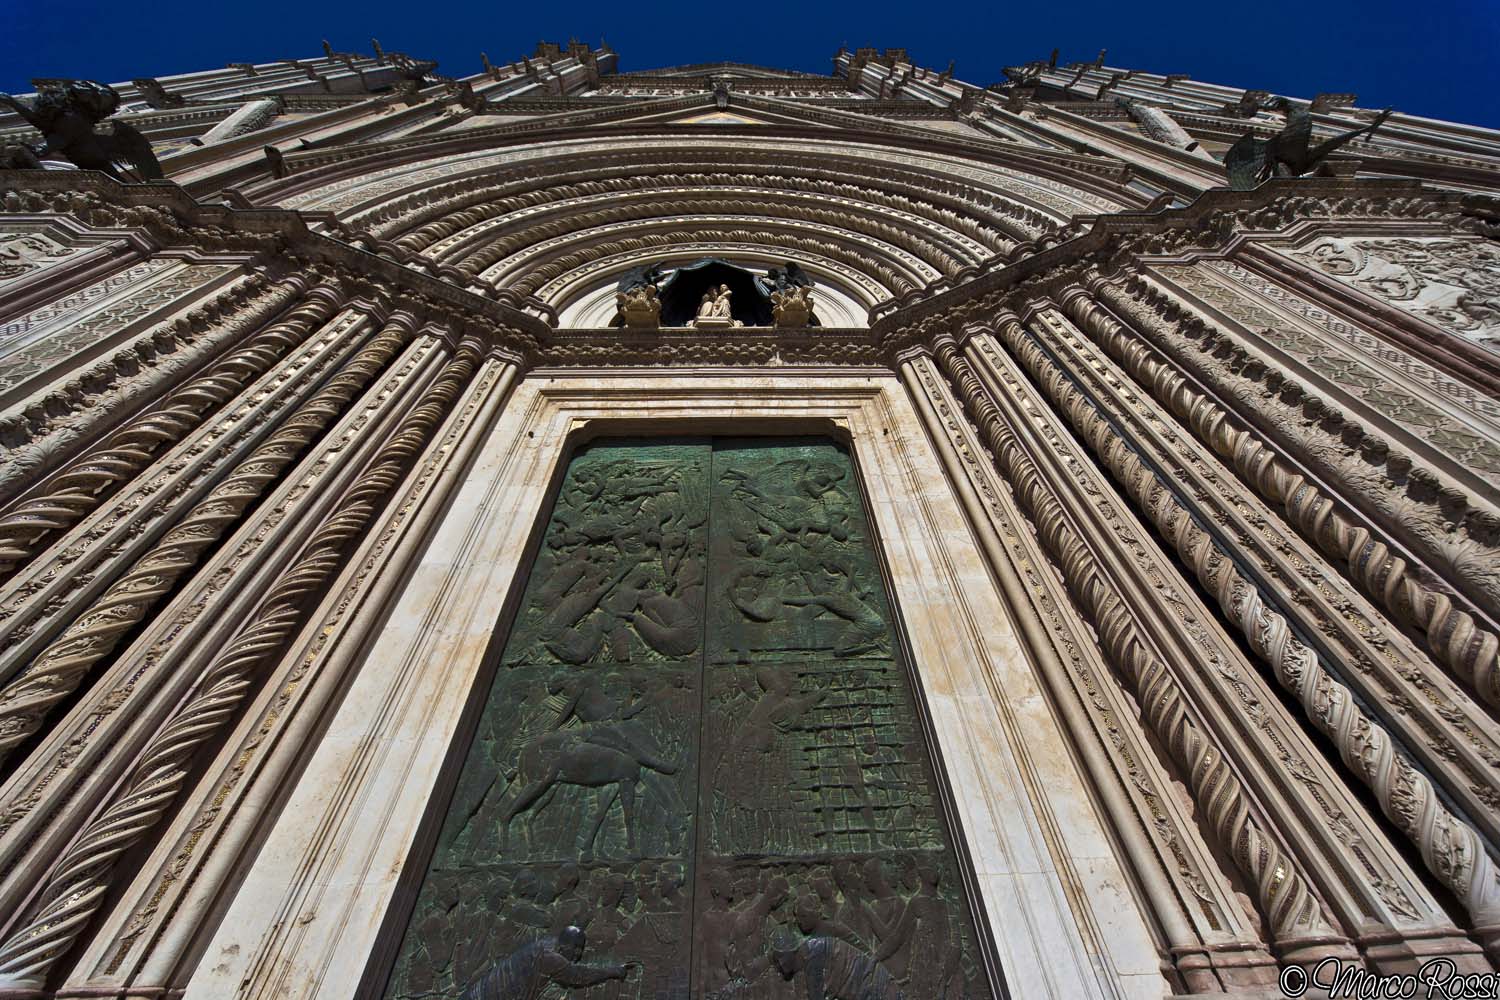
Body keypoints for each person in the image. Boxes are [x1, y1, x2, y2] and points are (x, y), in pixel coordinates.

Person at [461, 925, 633, 1000]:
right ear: (564, 946)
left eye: (581, 949)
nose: (578, 954)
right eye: (575, 948)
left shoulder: (548, 944)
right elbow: (579, 975)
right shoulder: (549, 957)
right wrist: (614, 971)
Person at [771, 932, 903, 1000]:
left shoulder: (814, 956)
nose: (778, 966)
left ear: (792, 953)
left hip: (880, 991)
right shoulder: (814, 950)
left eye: (779, 959)